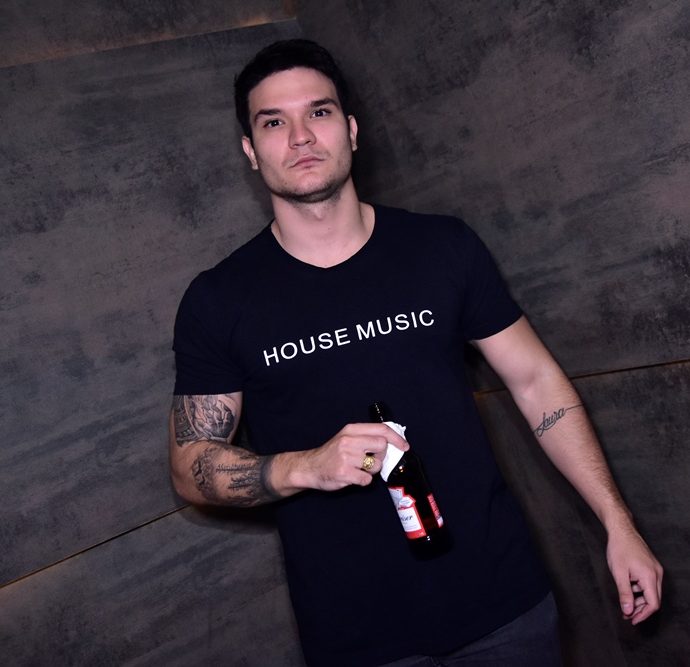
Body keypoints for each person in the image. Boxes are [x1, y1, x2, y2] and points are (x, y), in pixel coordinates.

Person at [169, 39, 663, 666]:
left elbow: (536, 382)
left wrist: (618, 522)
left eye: (319, 112)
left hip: (505, 605)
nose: (300, 137)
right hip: (359, 638)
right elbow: (190, 464)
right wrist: (304, 467)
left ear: (351, 130)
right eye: (273, 122)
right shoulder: (219, 300)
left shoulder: (442, 247)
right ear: (250, 150)